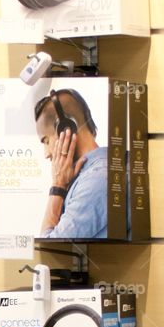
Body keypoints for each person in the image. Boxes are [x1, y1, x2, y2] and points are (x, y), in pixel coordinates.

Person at [33, 89, 107, 239]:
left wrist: (58, 186)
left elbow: (48, 241)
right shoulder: (94, 173)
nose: (46, 153)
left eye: (46, 141)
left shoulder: (97, 180)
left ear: (66, 128)